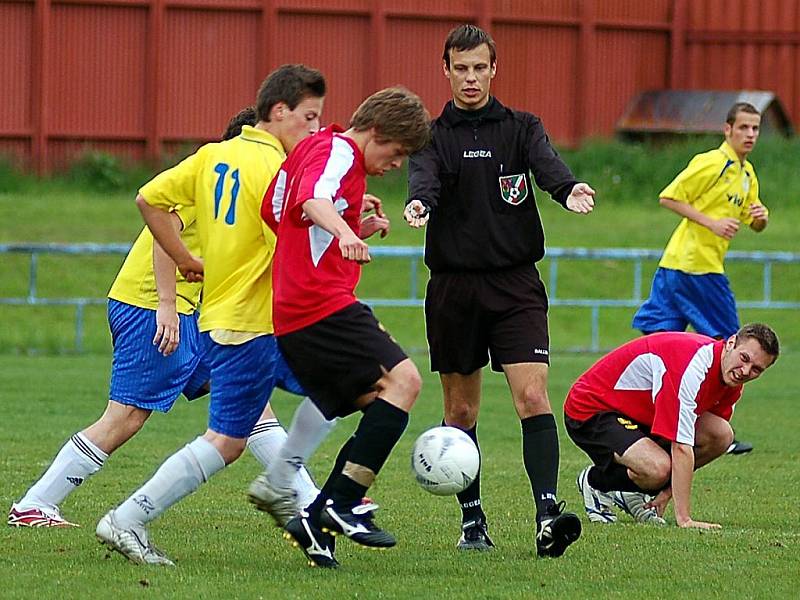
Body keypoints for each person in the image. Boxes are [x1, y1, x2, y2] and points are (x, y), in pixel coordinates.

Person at [6, 106, 312, 529]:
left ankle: (308, 499)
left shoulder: (242, 178)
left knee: (253, 402)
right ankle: (34, 504)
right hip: (151, 305)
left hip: (190, 312)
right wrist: (166, 306)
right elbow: (160, 226)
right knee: (127, 416)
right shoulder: (218, 179)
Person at [94, 64, 326, 566]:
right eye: (309, 118)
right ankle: (318, 503)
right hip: (254, 318)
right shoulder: (274, 172)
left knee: (237, 435)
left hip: (225, 316)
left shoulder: (213, 156)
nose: (314, 131)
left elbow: (148, 199)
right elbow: (291, 249)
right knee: (355, 387)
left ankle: (309, 505)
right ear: (279, 111)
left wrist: (185, 261)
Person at [404, 24, 593, 558]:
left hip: (515, 285)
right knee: (461, 413)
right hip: (454, 287)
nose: (470, 78)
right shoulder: (431, 135)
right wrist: (419, 203)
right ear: (446, 71)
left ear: (494, 69)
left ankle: (547, 515)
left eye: (478, 67)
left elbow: (547, 165)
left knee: (533, 395)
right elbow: (425, 179)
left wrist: (567, 187)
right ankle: (472, 520)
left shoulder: (521, 127)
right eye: (460, 68)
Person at [263, 87, 430, 569]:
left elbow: (276, 210)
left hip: (296, 312)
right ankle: (342, 502)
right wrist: (345, 231)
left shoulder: (313, 151)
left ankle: (315, 520)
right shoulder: (337, 149)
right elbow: (312, 199)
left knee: (381, 402)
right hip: (320, 306)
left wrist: (350, 220)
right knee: (405, 382)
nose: (397, 166)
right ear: (375, 132)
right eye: (396, 153)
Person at [632, 102, 769, 456]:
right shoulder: (711, 162)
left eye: (755, 129)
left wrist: (760, 218)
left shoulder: (747, 174)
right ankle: (718, 426)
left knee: (660, 346)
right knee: (735, 347)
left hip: (678, 266)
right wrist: (710, 222)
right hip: (696, 267)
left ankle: (653, 426)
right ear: (727, 130)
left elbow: (753, 221)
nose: (750, 134)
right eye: (743, 128)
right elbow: (669, 197)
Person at [565, 323, 779, 529]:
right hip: (592, 408)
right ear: (731, 343)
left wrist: (666, 493)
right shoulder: (692, 367)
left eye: (756, 369)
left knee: (721, 435)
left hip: (639, 416)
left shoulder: (731, 382)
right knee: (658, 468)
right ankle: (596, 483)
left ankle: (631, 492)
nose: (744, 371)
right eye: (744, 358)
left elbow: (701, 436)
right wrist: (684, 518)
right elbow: (681, 447)